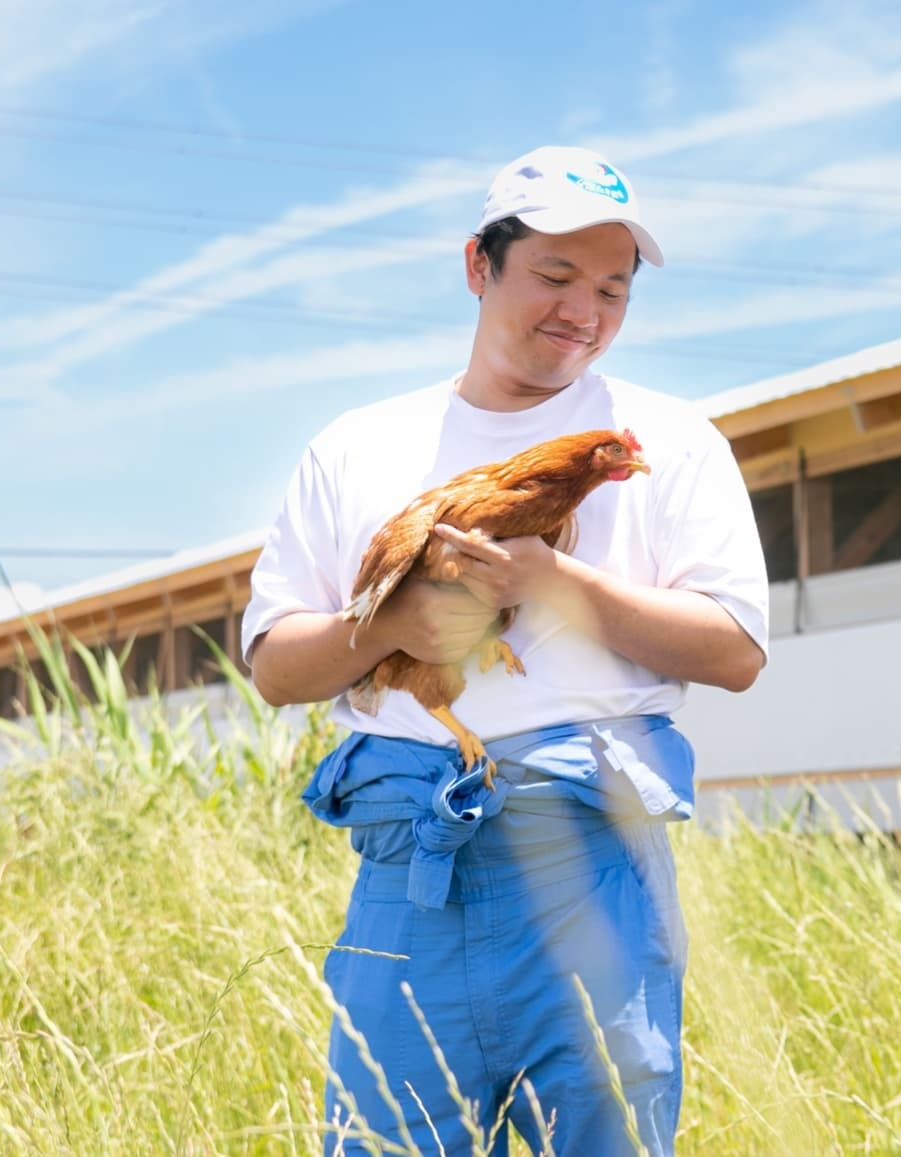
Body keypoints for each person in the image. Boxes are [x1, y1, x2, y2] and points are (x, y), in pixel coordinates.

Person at [241, 145, 770, 1155]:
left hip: (594, 859)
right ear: (479, 267)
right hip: (414, 861)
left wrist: (552, 585)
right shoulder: (356, 446)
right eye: (556, 276)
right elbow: (273, 667)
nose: (585, 310)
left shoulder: (671, 439)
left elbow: (737, 650)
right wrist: (387, 628)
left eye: (613, 289)